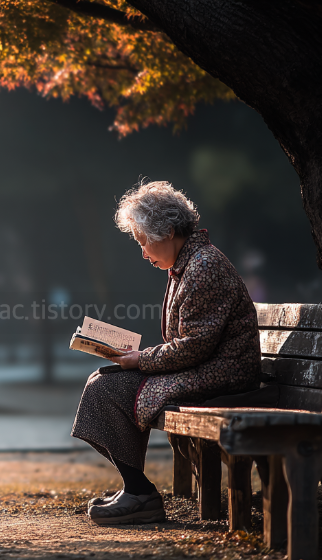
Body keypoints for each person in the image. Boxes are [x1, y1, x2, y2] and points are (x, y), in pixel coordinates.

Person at [71, 179, 261, 525]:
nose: (143, 252)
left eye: (144, 241)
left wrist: (140, 358)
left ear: (169, 231)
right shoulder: (188, 264)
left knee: (107, 389)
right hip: (207, 366)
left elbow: (195, 345)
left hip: (223, 373)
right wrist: (135, 358)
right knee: (104, 381)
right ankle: (136, 489)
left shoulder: (203, 266)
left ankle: (139, 493)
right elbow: (193, 343)